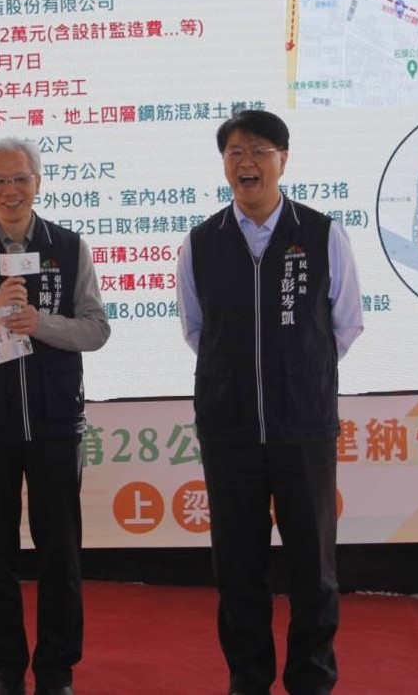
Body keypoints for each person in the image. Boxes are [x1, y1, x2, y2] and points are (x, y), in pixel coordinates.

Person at [176, 110, 363, 695]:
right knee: (238, 567)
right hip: (229, 430)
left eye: (259, 150)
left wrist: (296, 375)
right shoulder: (201, 242)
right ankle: (248, 679)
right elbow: (197, 329)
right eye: (234, 152)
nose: (246, 162)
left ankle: (312, 680)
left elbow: (344, 325)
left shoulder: (323, 234)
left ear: (284, 159)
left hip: (302, 428)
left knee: (314, 566)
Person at [0, 137, 110, 695]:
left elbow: (96, 330)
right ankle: (4, 672)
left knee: (61, 556)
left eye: (20, 179)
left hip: (55, 425)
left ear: (38, 183)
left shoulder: (69, 248)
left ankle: (56, 672)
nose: (10, 191)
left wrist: (41, 323)